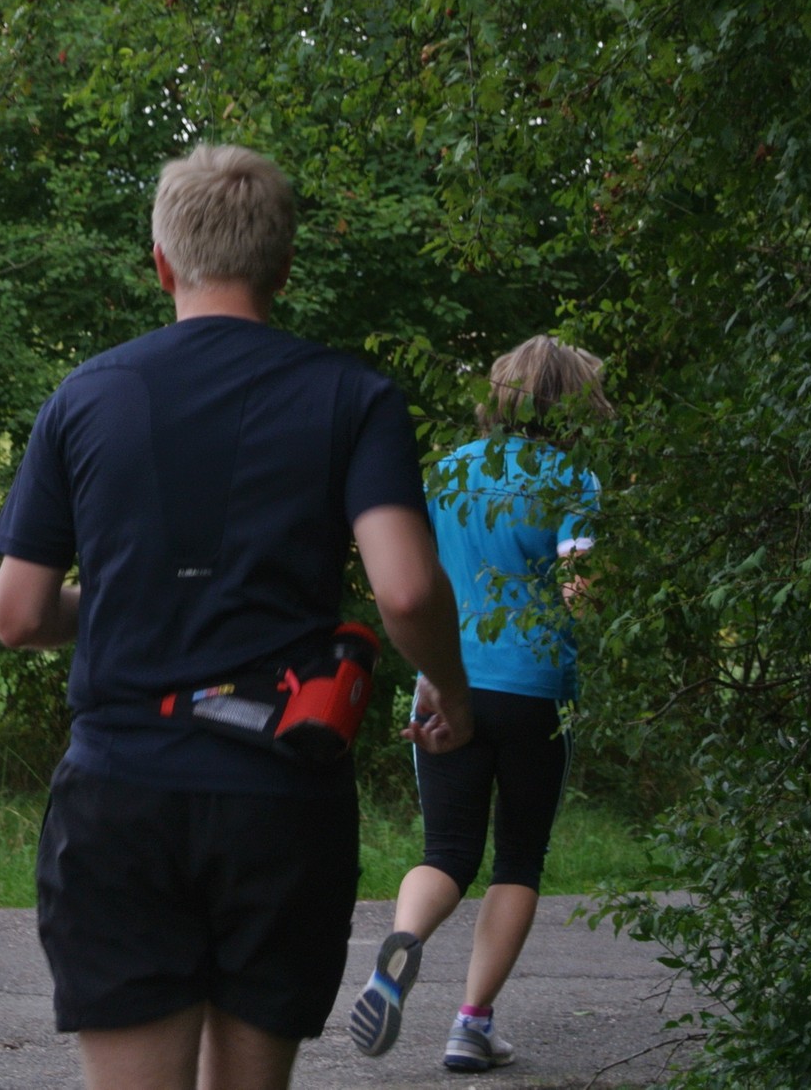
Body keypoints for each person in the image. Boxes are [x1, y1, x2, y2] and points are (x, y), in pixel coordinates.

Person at [0, 144, 474, 1090]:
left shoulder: (87, 395)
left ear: (162, 263)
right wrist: (451, 691)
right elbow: (408, 590)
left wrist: (126, 599)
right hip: (280, 799)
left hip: (122, 792)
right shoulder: (353, 396)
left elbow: (18, 613)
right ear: (283, 266)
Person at [346, 333, 611, 1073]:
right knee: (518, 860)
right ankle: (471, 1024)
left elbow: (411, 576)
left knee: (447, 852)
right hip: (538, 693)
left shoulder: (452, 471)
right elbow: (581, 594)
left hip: (447, 680)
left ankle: (401, 945)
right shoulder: (575, 480)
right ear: (576, 403)